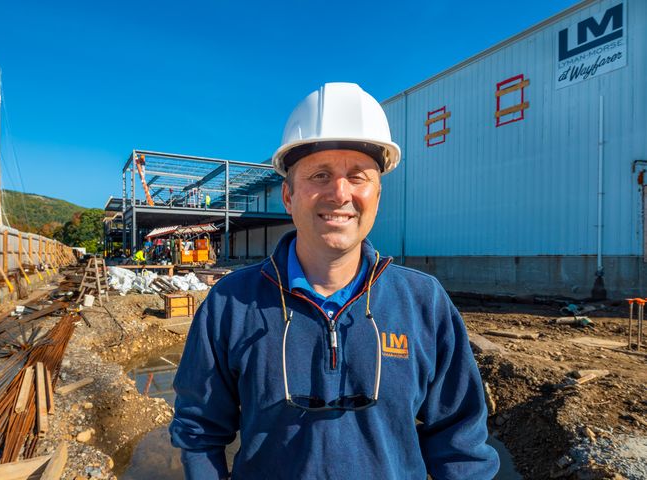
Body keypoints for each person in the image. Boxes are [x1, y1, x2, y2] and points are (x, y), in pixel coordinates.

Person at [170, 83, 499, 479]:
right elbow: (198, 434)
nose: (340, 193)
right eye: (320, 175)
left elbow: (461, 446)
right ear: (289, 196)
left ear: (378, 194)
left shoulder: (422, 302)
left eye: (358, 177)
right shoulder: (231, 304)